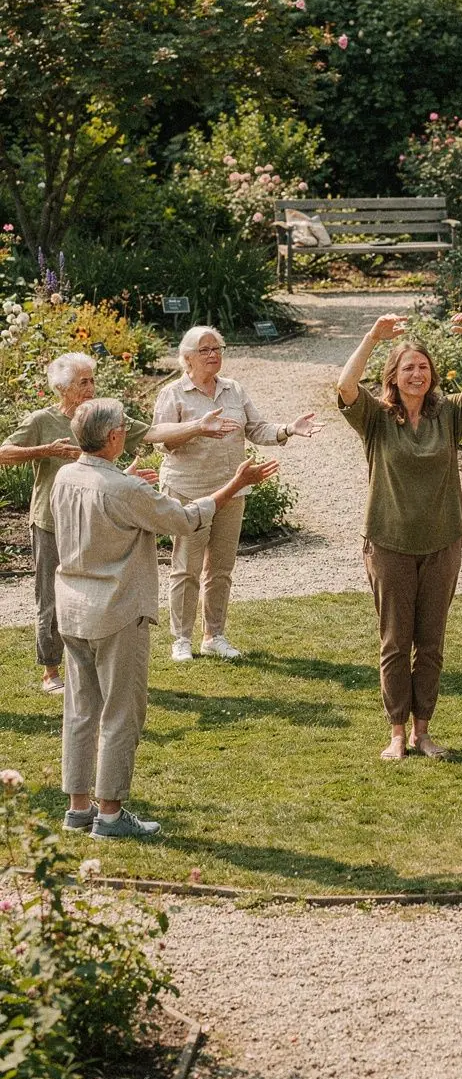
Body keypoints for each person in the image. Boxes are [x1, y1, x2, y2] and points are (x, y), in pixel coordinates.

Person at [52, 398, 279, 840]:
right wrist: (235, 483)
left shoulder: (68, 476)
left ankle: (79, 809)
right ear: (115, 438)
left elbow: (105, 506)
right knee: (121, 713)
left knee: (80, 711)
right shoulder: (123, 490)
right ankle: (112, 815)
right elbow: (185, 519)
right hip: (116, 611)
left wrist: (128, 483)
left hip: (73, 609)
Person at [0, 351, 238, 694]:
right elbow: (4, 453)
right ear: (63, 389)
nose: (91, 387)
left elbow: (153, 432)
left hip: (95, 521)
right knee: (50, 597)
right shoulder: (42, 420)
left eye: (92, 380)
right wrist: (44, 450)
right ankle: (51, 671)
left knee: (94, 592)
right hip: (51, 522)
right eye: (84, 382)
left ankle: (92, 663)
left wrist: (198, 426)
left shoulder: (102, 417)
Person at [337, 312, 462, 761]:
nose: (418, 374)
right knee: (395, 640)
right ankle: (395, 732)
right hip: (389, 541)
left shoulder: (447, 413)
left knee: (431, 643)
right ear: (393, 376)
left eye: (424, 367)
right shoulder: (375, 418)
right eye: (409, 367)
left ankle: (422, 732)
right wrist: (373, 336)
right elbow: (346, 387)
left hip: (442, 542)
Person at [151, 326, 323, 662]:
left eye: (217, 348)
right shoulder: (174, 393)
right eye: (205, 349)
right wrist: (198, 427)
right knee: (187, 567)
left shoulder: (233, 390)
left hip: (231, 489)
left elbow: (255, 428)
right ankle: (181, 639)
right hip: (188, 490)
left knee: (221, 568)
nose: (214, 354)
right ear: (187, 358)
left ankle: (214, 636)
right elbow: (161, 439)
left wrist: (289, 429)